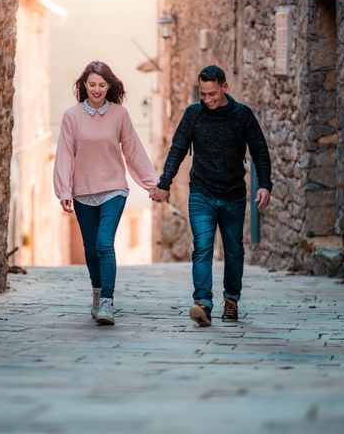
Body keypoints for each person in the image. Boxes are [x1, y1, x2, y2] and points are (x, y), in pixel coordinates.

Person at [150, 65, 272, 327]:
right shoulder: (193, 114)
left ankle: (231, 300)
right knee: (202, 247)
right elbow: (178, 149)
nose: (207, 100)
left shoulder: (242, 115)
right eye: (203, 94)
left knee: (234, 250)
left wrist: (265, 184)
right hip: (202, 193)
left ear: (225, 87)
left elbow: (259, 151)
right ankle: (203, 303)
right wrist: (164, 183)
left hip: (233, 195)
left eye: (212, 94)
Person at [54, 61, 158, 326]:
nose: (97, 89)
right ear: (84, 86)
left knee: (103, 244)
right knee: (90, 251)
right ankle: (97, 293)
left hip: (114, 189)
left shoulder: (120, 115)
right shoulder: (71, 116)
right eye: (92, 84)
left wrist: (152, 184)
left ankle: (108, 303)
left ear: (110, 86)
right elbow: (65, 156)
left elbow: (133, 151)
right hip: (83, 192)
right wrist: (64, 190)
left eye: (102, 85)